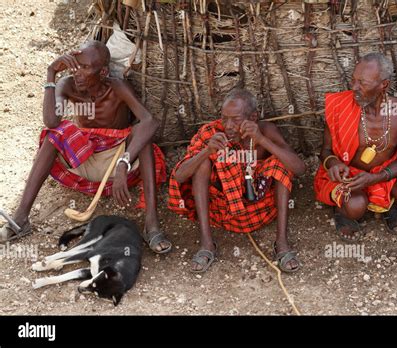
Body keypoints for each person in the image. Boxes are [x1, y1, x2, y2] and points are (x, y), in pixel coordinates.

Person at [0, 40, 171, 254]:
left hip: (115, 162)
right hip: (83, 160)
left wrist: (123, 162)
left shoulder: (117, 87)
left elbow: (149, 121)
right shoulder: (68, 85)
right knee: (54, 133)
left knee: (144, 139)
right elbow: (52, 121)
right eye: (76, 65)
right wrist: (51, 73)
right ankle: (20, 219)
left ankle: (151, 225)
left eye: (86, 67)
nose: (78, 72)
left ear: (103, 73)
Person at [168, 88, 306, 273]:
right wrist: (207, 152)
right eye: (224, 118)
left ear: (254, 117)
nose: (229, 125)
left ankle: (281, 243)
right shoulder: (213, 133)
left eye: (236, 119)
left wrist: (262, 140)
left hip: (260, 208)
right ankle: (207, 244)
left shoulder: (266, 131)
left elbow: (299, 168)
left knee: (280, 165)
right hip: (223, 211)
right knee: (201, 164)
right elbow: (180, 176)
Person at [314, 53, 397, 242]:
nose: (353, 88)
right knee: (355, 206)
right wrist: (333, 164)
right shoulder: (339, 106)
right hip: (349, 178)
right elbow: (325, 151)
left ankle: (391, 204)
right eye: (353, 80)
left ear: (384, 85)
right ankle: (342, 210)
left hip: (384, 174)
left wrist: (376, 177)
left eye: (362, 83)